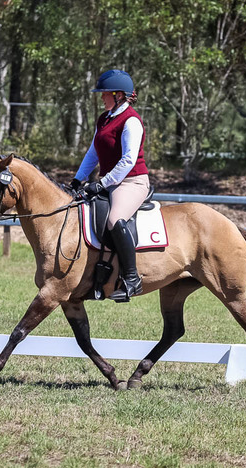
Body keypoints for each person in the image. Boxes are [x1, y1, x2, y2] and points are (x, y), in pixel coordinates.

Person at [72, 69, 149, 302]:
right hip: (111, 182)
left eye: (104, 93)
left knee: (115, 220)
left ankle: (132, 279)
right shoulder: (104, 119)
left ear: (119, 95)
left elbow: (128, 160)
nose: (101, 97)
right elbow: (93, 152)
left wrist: (102, 183)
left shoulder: (131, 121)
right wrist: (78, 179)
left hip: (132, 181)